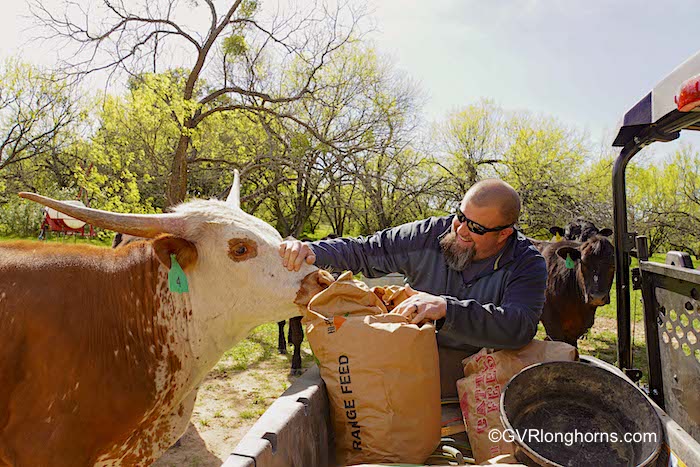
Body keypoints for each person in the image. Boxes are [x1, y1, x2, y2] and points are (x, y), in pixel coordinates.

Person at [279, 179, 547, 355]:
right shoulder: (429, 233)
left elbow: (519, 326)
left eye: (476, 228)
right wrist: (312, 251)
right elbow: (366, 249)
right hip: (416, 354)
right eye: (460, 217)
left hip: (483, 367)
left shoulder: (526, 263)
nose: (461, 230)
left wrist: (446, 309)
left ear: (504, 234)